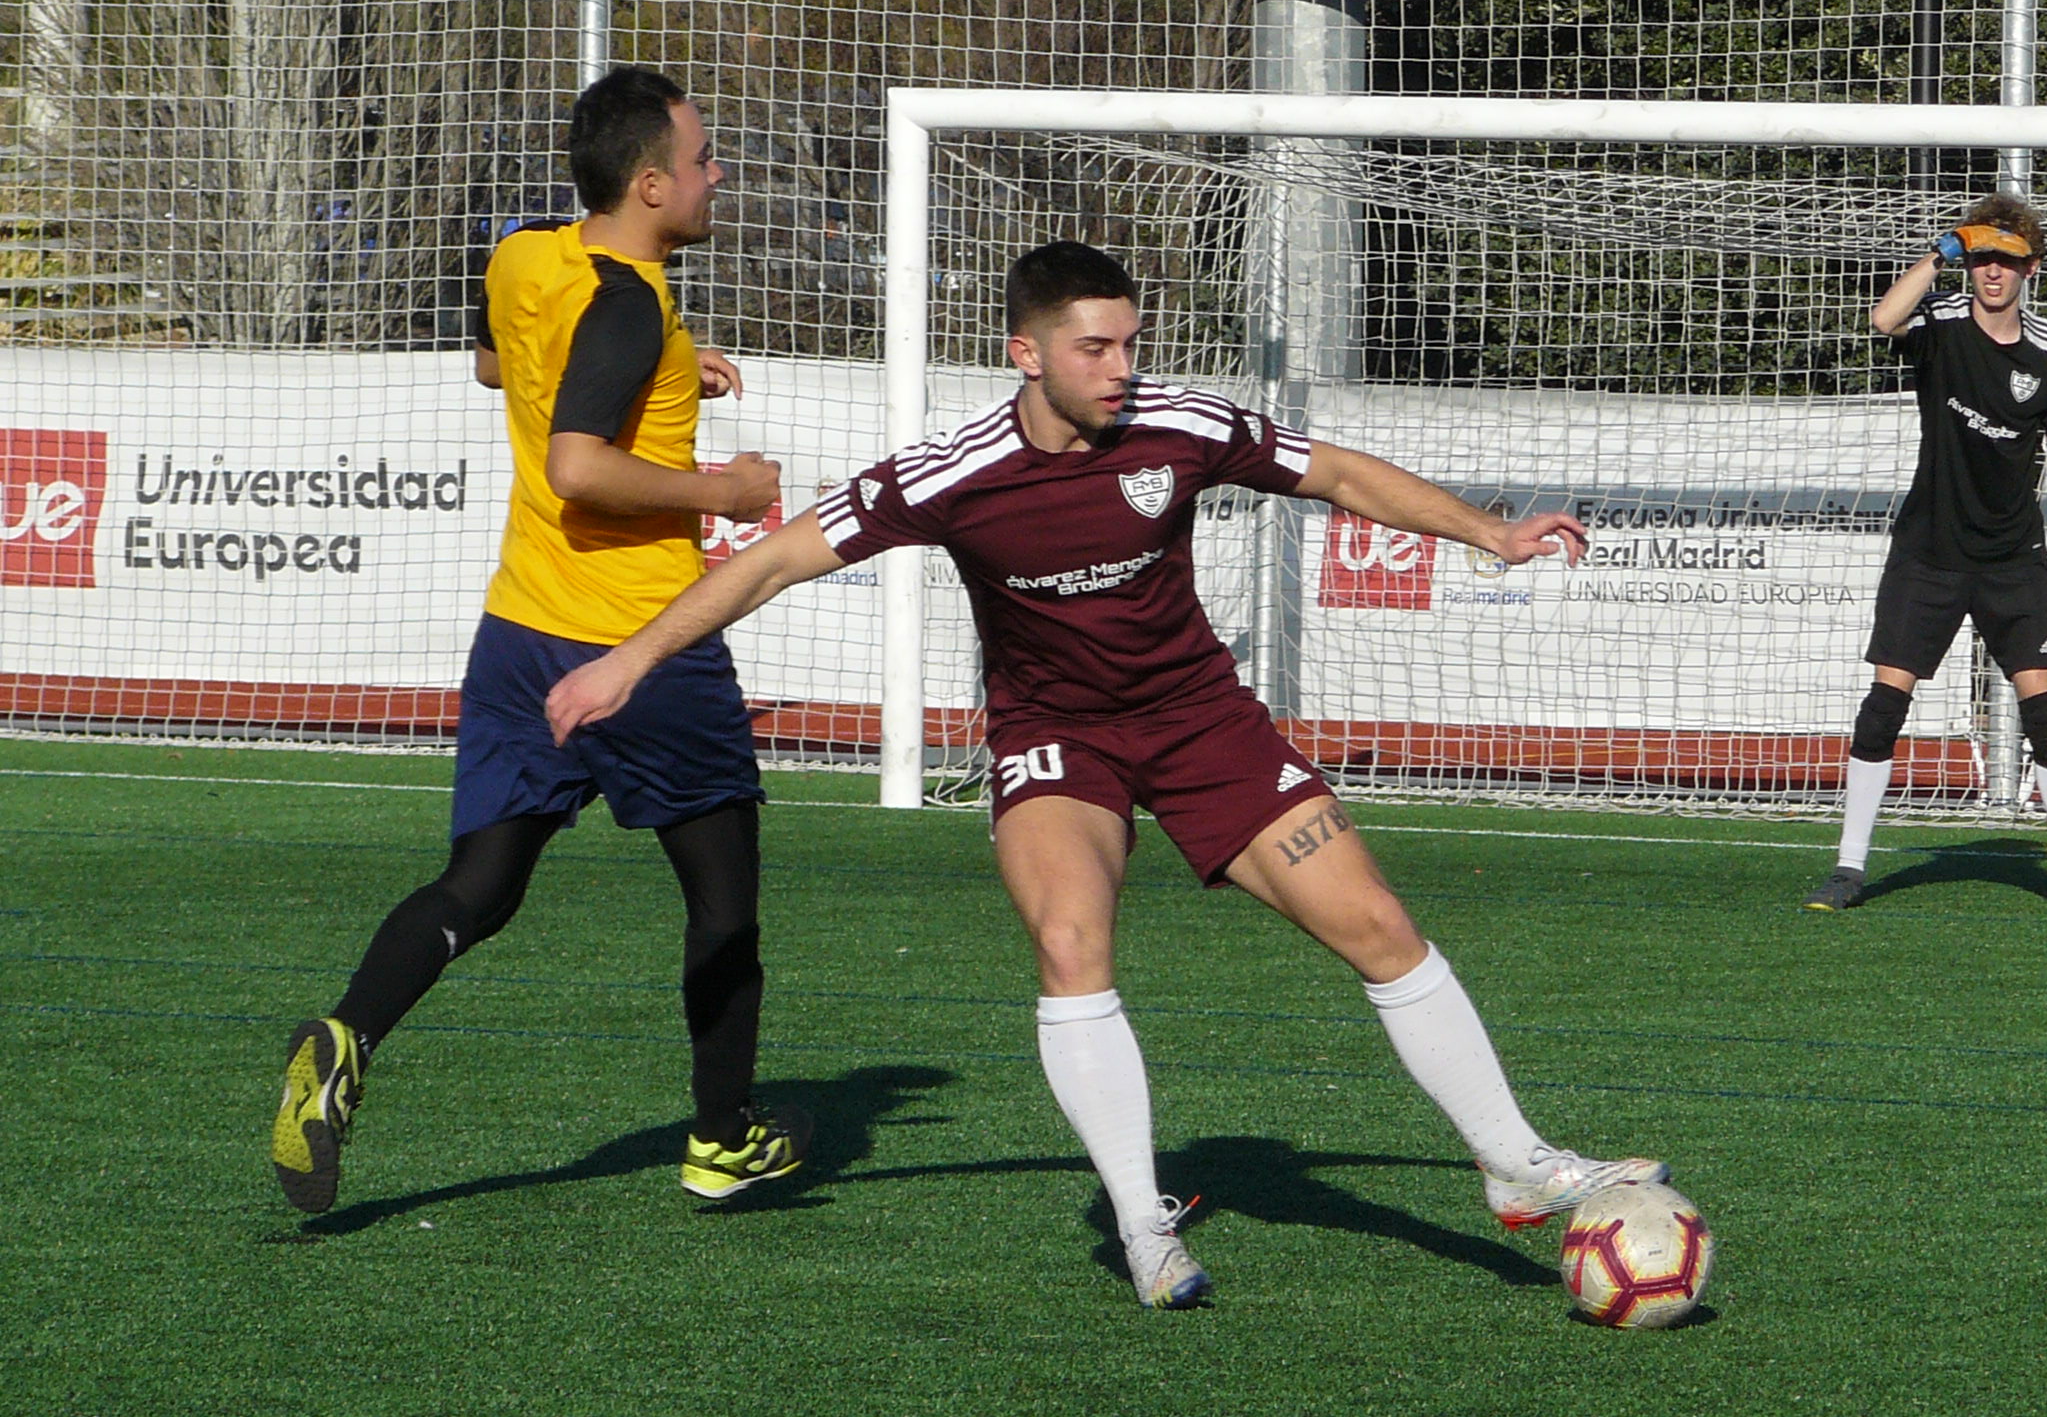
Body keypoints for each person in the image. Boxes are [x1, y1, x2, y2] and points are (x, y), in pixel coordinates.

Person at [547, 241, 1666, 1307]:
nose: (1121, 367)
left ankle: (1514, 1162)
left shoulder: (1182, 426)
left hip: (1200, 721)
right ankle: (1143, 1224)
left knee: (1377, 923)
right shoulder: (950, 472)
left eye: (1130, 343)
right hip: (1057, 738)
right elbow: (775, 562)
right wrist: (629, 661)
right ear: (1026, 354)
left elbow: (1332, 472)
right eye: (1094, 348)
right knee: (1071, 943)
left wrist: (1487, 533)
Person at [268, 66, 810, 1213]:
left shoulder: (523, 256)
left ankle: (347, 1034)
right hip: (641, 646)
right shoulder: (631, 306)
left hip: (520, 633)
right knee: (723, 906)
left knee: (481, 885)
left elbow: (495, 363)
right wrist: (723, 487)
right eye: (702, 160)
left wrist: (673, 365)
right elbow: (576, 464)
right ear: (651, 185)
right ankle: (721, 1139)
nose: (718, 176)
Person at [1807, 194, 2047, 912]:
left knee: (2045, 714)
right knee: (1884, 707)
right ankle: (1849, 867)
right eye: (1981, 259)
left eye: (2006, 260)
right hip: (1930, 552)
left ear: (2031, 269)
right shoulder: (1941, 322)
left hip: (2013, 558)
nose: (1992, 272)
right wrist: (1941, 251)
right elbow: (1883, 319)